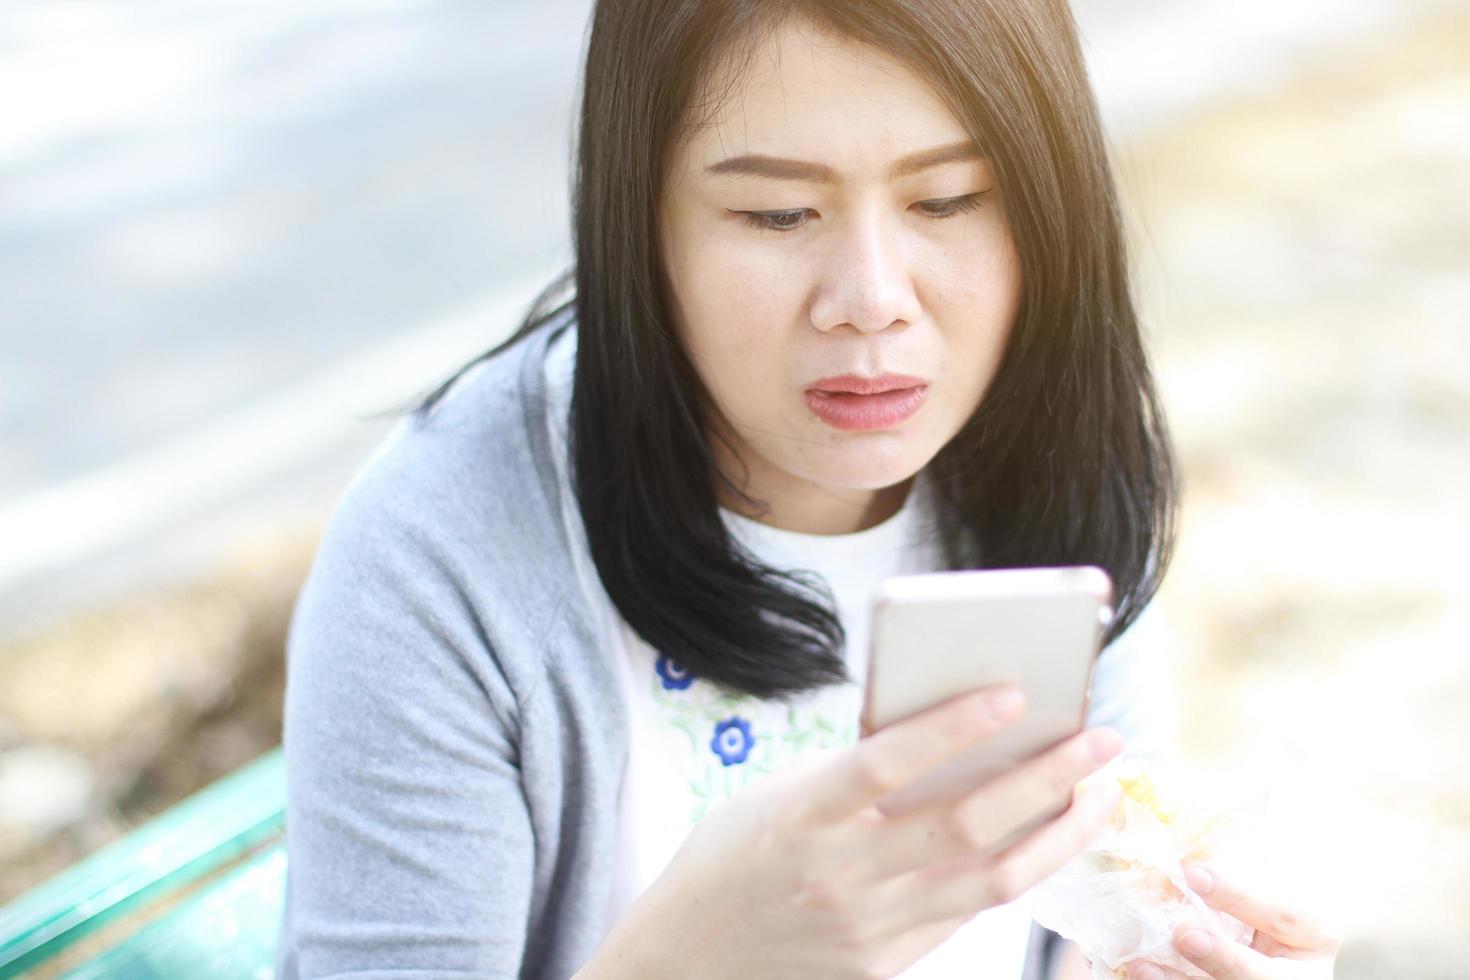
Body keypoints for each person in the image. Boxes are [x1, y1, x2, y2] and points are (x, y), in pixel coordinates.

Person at [273, 1, 1343, 978]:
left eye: (948, 197)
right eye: (779, 214)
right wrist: (689, 955)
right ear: (637, 226)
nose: (871, 300)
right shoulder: (443, 555)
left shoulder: (1047, 460)